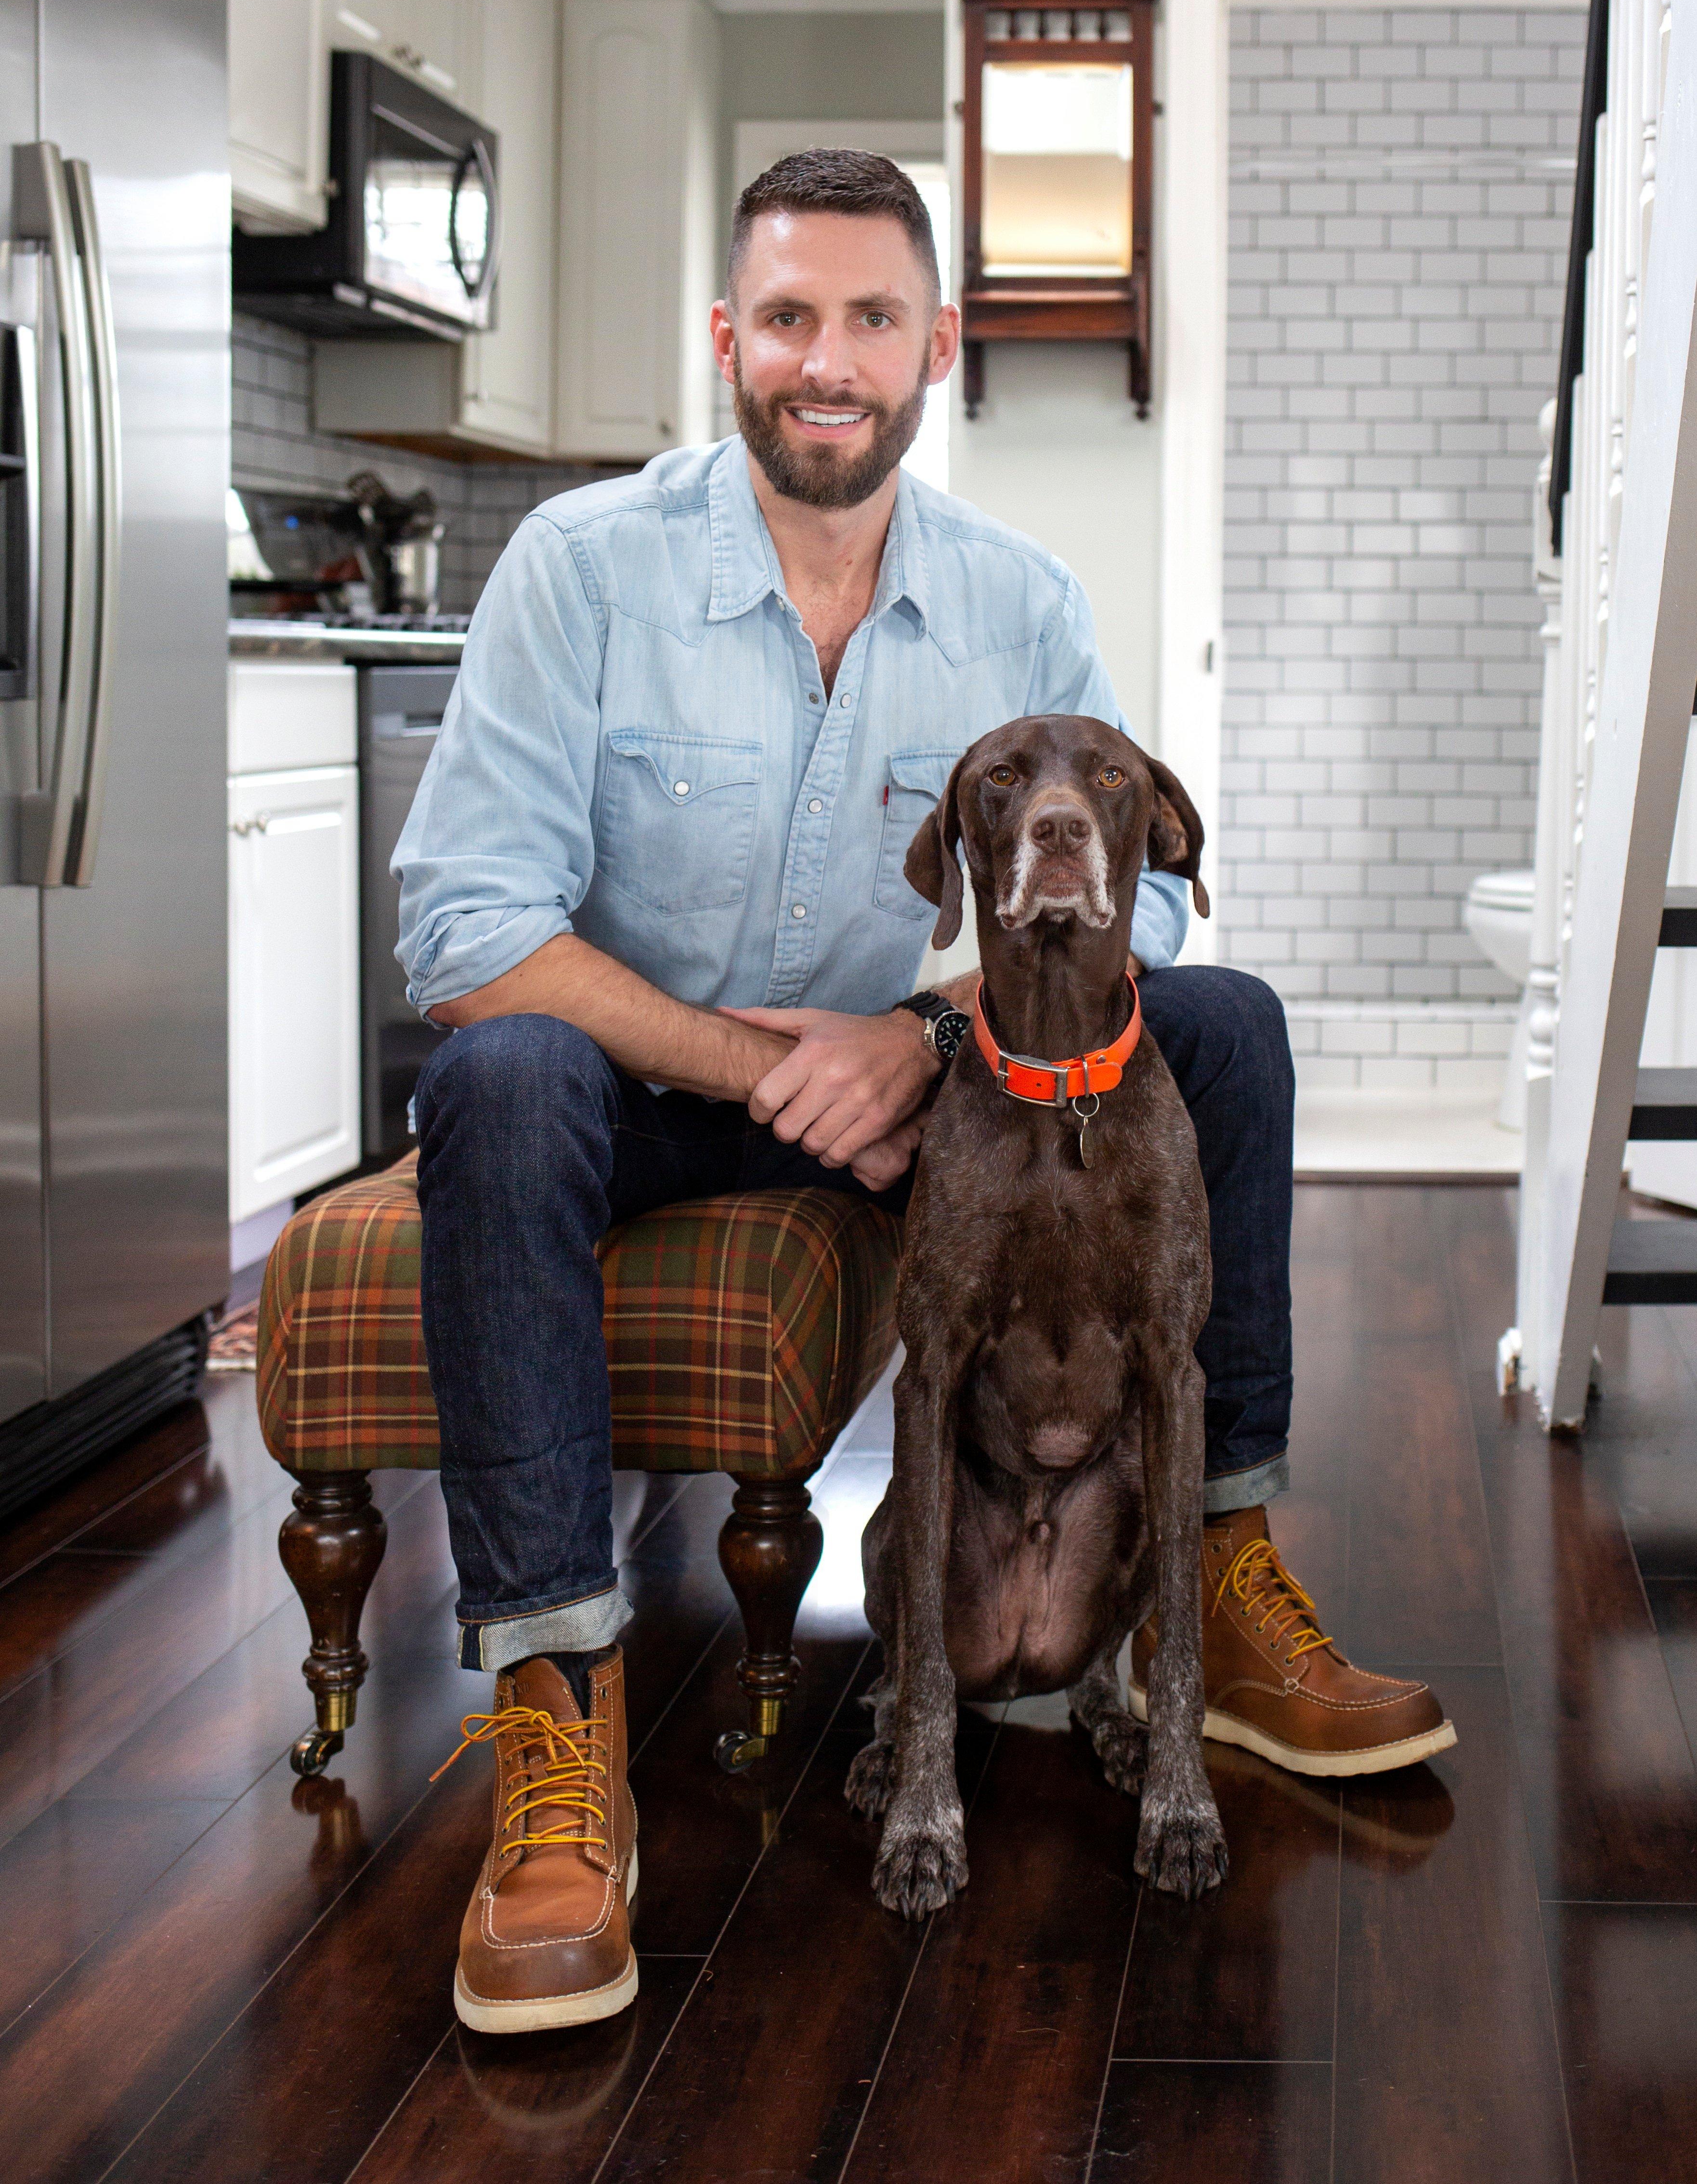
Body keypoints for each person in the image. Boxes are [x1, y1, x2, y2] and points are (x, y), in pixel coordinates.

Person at [395, 149, 1453, 2036]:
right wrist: (764, 1060)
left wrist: (926, 1035)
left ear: (934, 346)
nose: (827, 359)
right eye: (787, 316)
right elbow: (463, 926)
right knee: (498, 1071)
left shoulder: (1015, 599)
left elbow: (1140, 902)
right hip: (653, 1080)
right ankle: (558, 1713)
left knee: (1221, 1020)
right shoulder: (580, 566)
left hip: (939, 1091)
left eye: (870, 318)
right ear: (727, 338)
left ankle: (1214, 1574)